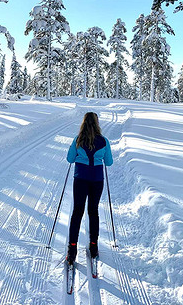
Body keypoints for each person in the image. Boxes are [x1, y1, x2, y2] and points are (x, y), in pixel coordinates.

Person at [65, 112, 113, 264]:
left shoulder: (78, 140)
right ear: (97, 123)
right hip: (97, 180)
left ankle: (72, 248)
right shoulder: (104, 141)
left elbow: (70, 159)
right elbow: (109, 162)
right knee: (93, 211)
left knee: (77, 211)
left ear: (83, 123)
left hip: (80, 179)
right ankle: (93, 246)